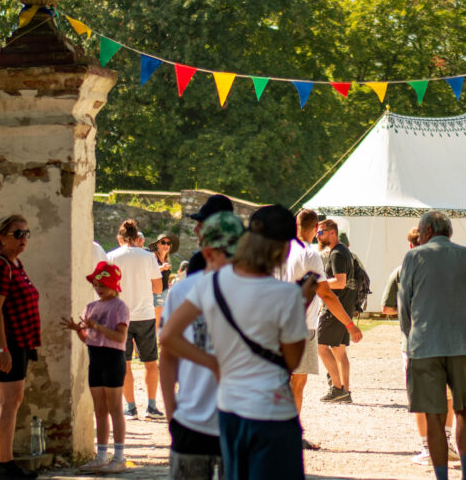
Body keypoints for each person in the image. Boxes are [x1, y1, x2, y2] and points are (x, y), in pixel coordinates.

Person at [160, 205, 315, 480]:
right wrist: (300, 302)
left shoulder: (211, 283)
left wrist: (214, 363)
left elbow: (168, 338)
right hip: (271, 412)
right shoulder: (287, 295)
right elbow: (289, 361)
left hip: (229, 411)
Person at [398, 210, 466, 480]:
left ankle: (441, 476)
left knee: (433, 415)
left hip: (424, 344)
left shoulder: (413, 257)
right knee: (465, 410)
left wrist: (411, 339)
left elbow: (403, 306)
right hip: (464, 344)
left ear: (427, 232)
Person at [159, 212, 244, 480]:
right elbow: (168, 356)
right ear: (208, 252)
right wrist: (172, 414)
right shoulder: (182, 291)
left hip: (240, 424)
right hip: (192, 420)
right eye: (225, 253)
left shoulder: (252, 290)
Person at [278, 209, 362, 448]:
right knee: (297, 381)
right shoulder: (309, 255)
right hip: (301, 326)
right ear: (316, 229)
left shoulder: (283, 251)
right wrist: (349, 324)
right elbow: (325, 293)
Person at [382, 226, 459, 466]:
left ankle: (427, 447)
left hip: (414, 340)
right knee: (447, 394)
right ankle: (446, 443)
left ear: (411, 246)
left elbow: (386, 307)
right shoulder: (449, 267)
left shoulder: (401, 270)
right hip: (446, 337)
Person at [0, 215, 41, 480]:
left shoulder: (14, 264)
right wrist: (1, 349)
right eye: (17, 234)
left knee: (3, 400)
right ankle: (5, 466)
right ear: (1, 236)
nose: (23, 238)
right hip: (9, 344)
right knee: (9, 401)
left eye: (26, 233)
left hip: (18, 342)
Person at [62, 262, 130, 473]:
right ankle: (101, 455)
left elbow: (120, 337)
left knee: (115, 408)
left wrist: (98, 327)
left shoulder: (120, 307)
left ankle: (119, 456)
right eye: (96, 284)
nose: (99, 288)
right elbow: (89, 338)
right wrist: (78, 330)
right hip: (96, 358)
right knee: (99, 409)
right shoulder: (91, 307)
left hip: (113, 358)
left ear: (114, 286)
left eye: (103, 284)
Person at [108, 220, 164, 419]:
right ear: (136, 237)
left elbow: (107, 288)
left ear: (120, 238)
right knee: (150, 361)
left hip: (120, 316)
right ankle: (151, 406)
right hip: (145, 315)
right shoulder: (149, 257)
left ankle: (130, 407)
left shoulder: (111, 257)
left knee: (125, 364)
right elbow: (158, 288)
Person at [315, 219, 357, 403]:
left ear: (332, 232)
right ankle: (345, 392)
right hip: (345, 305)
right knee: (339, 350)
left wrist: (316, 284)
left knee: (321, 347)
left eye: (321, 232)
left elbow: (340, 282)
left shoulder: (337, 254)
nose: (318, 236)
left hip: (335, 306)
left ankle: (337, 388)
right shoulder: (342, 251)